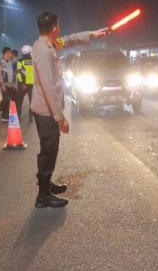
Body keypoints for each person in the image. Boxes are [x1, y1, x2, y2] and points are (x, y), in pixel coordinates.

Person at [31, 11, 108, 208]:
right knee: (49, 151)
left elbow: (70, 40)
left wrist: (93, 34)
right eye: (59, 25)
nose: (61, 29)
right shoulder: (43, 50)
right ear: (54, 28)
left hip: (47, 110)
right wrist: (59, 117)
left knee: (50, 149)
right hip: (46, 111)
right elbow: (48, 86)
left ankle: (47, 186)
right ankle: (43, 196)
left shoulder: (50, 44)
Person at [0, 47, 17, 122]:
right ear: (6, 53)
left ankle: (5, 116)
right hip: (4, 84)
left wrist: (14, 83)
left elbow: (13, 73)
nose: (11, 54)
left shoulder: (11, 61)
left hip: (10, 84)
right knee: (5, 99)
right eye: (9, 52)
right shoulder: (1, 62)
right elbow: (0, 74)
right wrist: (2, 85)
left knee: (8, 100)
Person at [16, 45, 34, 122]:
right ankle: (30, 117)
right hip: (31, 84)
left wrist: (21, 83)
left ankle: (18, 117)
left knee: (20, 101)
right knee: (32, 102)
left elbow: (18, 73)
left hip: (23, 84)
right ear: (30, 52)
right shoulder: (34, 60)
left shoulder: (20, 61)